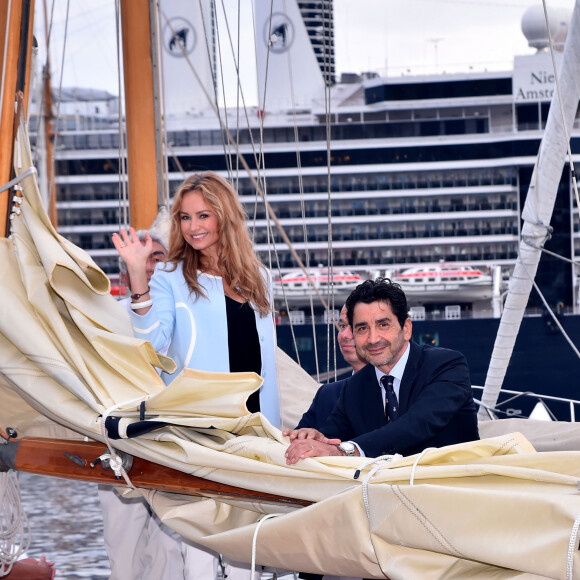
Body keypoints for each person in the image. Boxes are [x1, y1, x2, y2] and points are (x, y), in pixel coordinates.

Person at [113, 171, 280, 579]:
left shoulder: (260, 278)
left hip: (257, 431)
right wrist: (139, 278)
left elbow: (267, 363)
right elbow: (152, 346)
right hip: (201, 431)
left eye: (203, 215)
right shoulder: (170, 277)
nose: (193, 227)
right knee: (200, 557)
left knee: (253, 549)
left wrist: (277, 429)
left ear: (225, 217)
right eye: (184, 218)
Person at [285, 277, 479, 464]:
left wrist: (347, 450)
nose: (372, 339)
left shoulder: (446, 365)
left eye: (383, 325)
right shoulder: (354, 387)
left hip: (453, 488)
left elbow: (418, 423)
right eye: (362, 328)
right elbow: (332, 436)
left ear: (407, 328)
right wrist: (317, 438)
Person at [99, 229, 188, 580]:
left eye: (158, 256)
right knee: (124, 552)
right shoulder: (107, 321)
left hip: (175, 442)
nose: (150, 264)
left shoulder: (186, 317)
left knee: (174, 550)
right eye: (143, 256)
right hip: (121, 446)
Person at [296, 304, 365, 430]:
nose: (344, 335)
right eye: (343, 326)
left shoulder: (400, 393)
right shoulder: (326, 395)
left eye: (359, 327)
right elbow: (295, 442)